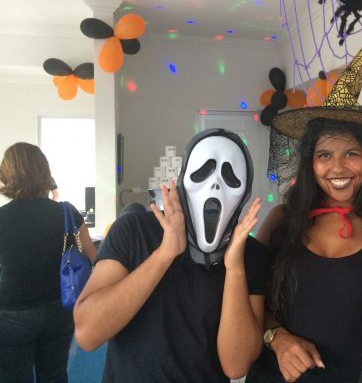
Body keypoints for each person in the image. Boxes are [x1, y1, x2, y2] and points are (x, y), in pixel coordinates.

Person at [247, 28, 362, 383]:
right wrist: (278, 339)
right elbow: (248, 303)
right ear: (310, 163)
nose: (338, 168)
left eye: (351, 153)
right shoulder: (282, 221)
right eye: (324, 155)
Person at [73, 129, 269, 382]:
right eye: (203, 172)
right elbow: (88, 334)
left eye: (231, 177)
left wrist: (234, 268)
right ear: (184, 178)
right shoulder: (134, 231)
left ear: (244, 192)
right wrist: (164, 254)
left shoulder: (251, 255)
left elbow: (236, 366)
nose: (215, 185)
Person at [0, 142, 96, 382]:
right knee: (54, 375)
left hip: (12, 312)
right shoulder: (67, 211)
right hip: (60, 307)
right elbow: (92, 256)